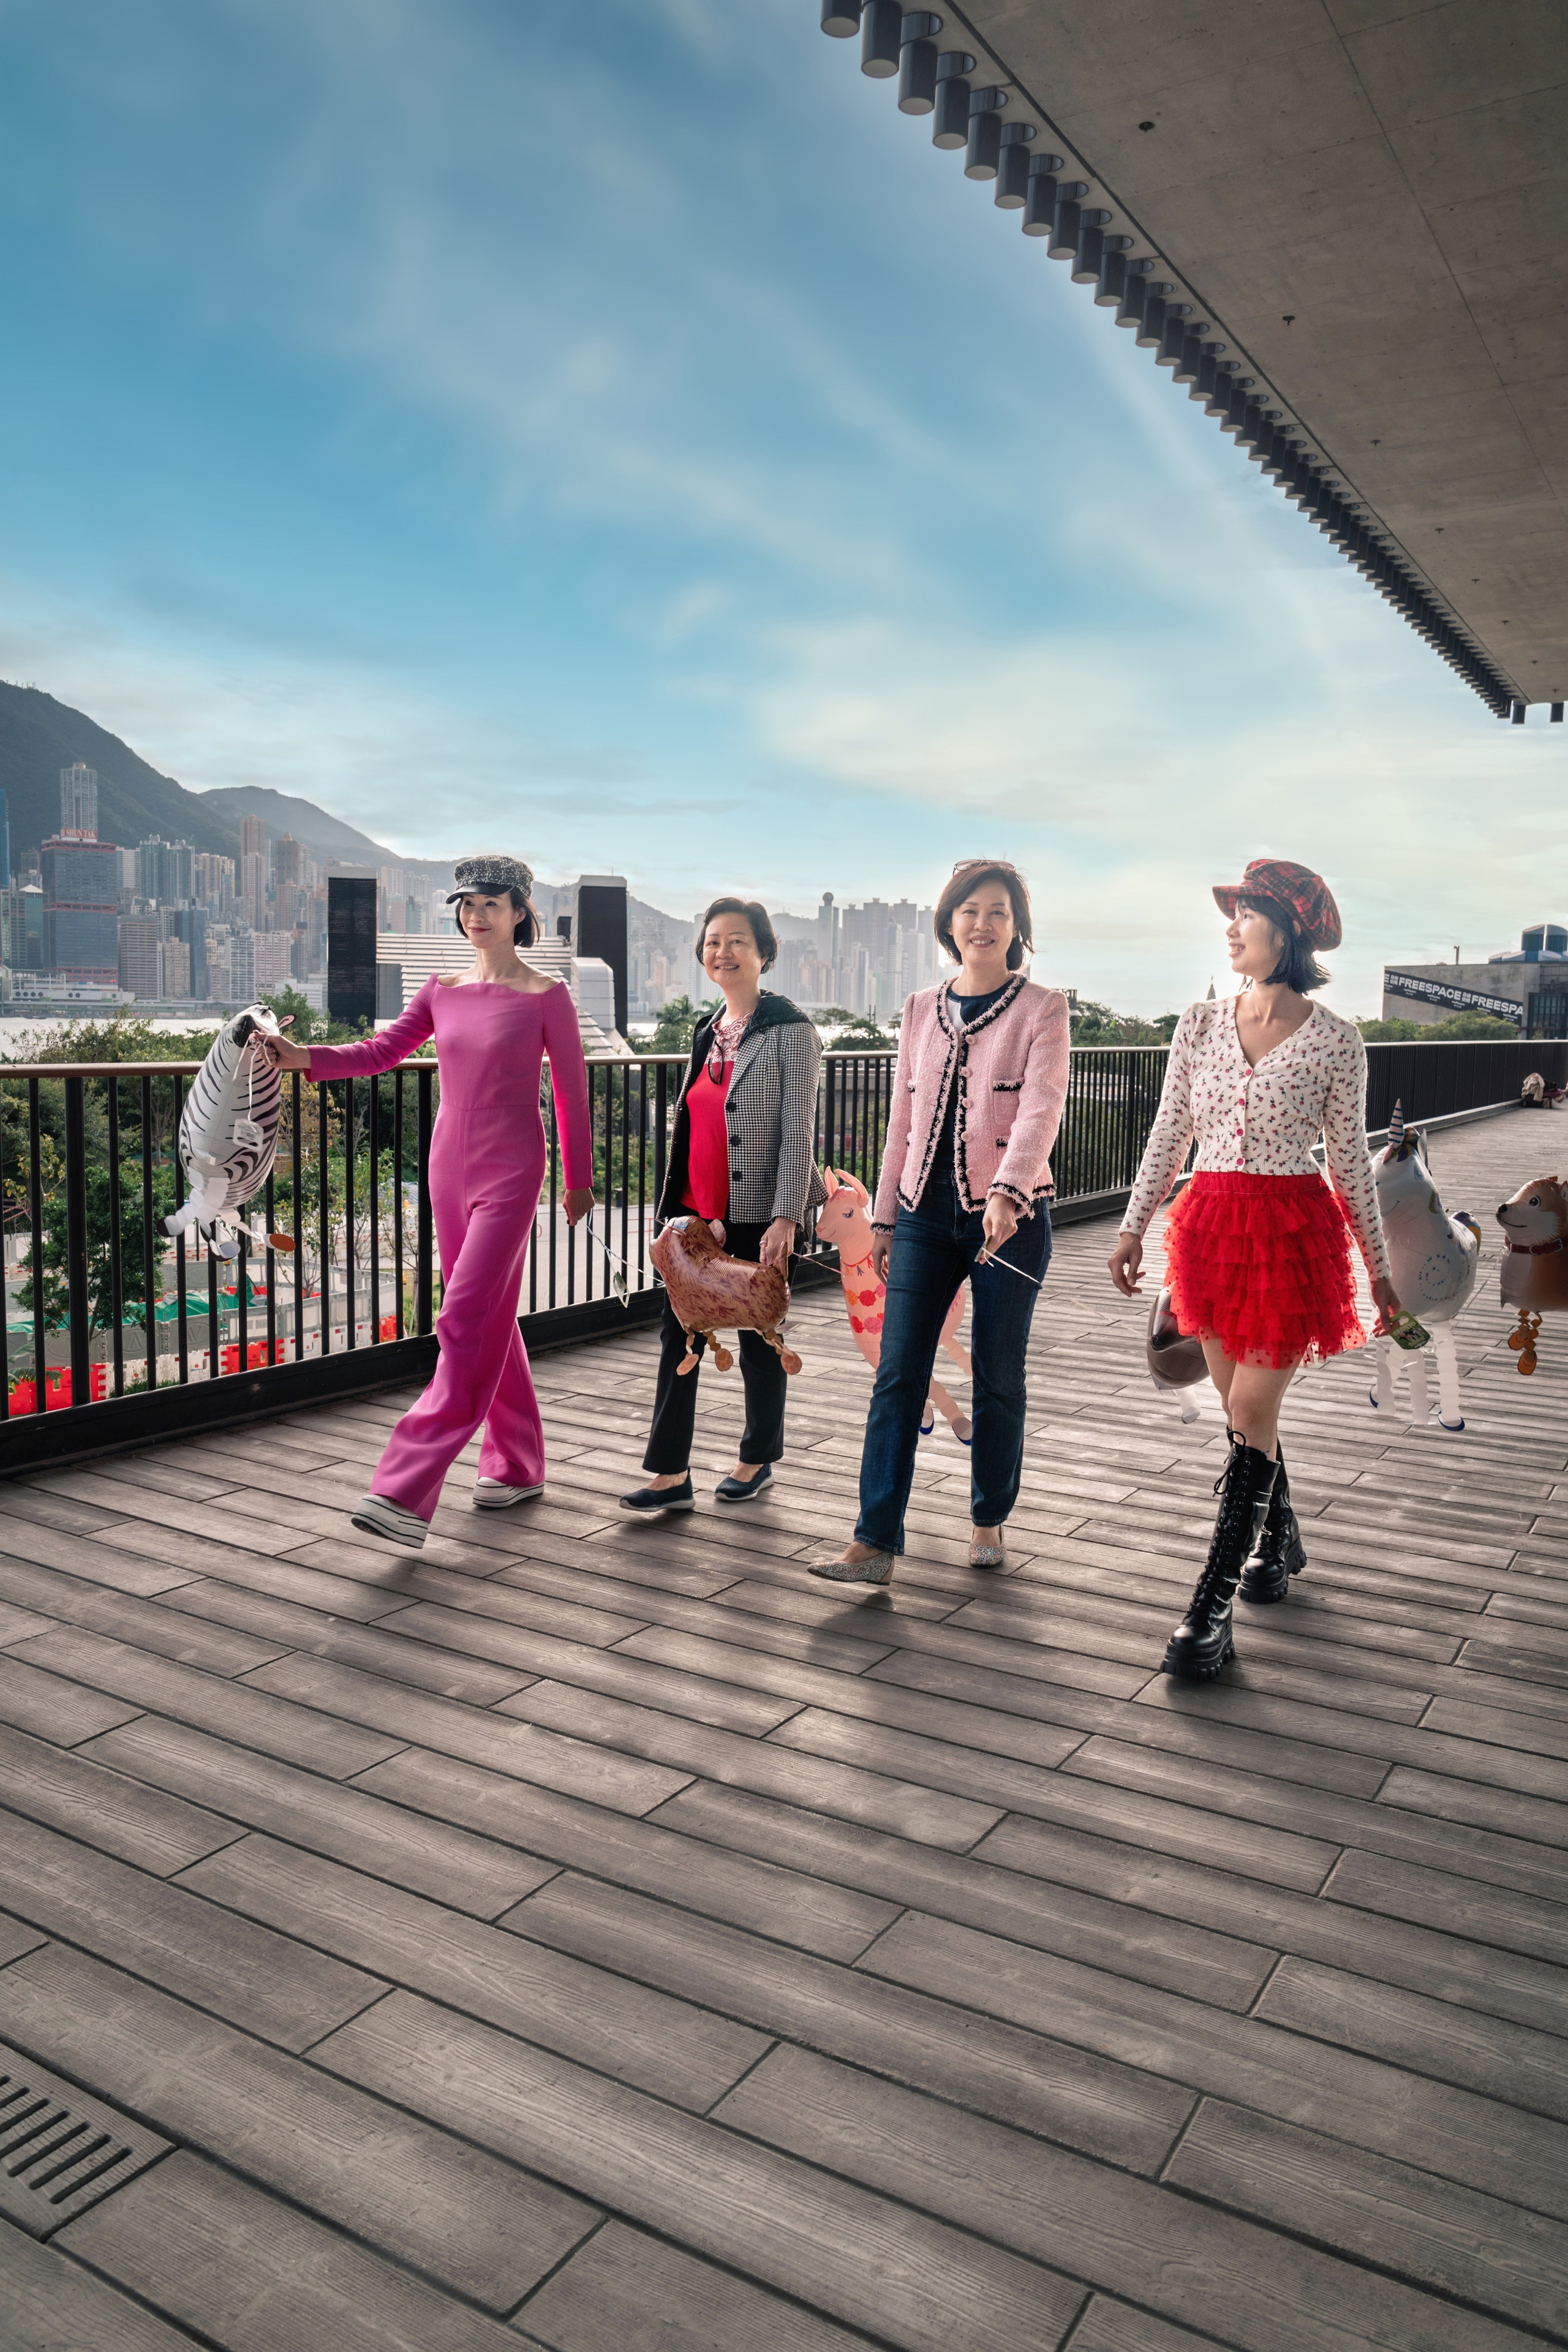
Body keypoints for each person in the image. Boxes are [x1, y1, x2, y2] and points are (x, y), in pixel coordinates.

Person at [1107, 859, 1400, 1678]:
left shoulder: (1338, 1042)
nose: (1232, 928)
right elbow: (1170, 1135)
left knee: (1249, 1408)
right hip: (1209, 1232)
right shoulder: (1199, 1024)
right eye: (1230, 916)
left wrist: (1377, 1273)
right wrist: (1133, 1230)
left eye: (1247, 915)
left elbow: (1349, 1164)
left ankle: (1210, 1611)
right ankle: (1281, 1535)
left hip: (1291, 1233)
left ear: (1290, 930)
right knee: (1246, 1414)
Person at [263, 853, 592, 1550]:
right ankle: (519, 1462)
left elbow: (570, 1091)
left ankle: (403, 1488)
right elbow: (382, 1051)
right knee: (486, 1317)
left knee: (463, 1317)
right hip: (448, 1171)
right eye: (466, 905)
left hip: (511, 1172)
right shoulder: (440, 990)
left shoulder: (547, 995)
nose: (475, 916)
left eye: (490, 905)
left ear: (520, 913)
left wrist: (580, 1178)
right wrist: (305, 1058)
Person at [813, 861, 1070, 1583]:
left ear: (1017, 926)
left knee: (996, 1376)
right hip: (923, 1215)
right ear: (948, 923)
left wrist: (1009, 1191)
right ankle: (873, 1541)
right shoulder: (920, 1006)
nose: (981, 922)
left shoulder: (1042, 1008)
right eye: (968, 910)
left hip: (1012, 1220)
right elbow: (902, 1119)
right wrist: (888, 1217)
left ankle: (987, 1517)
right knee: (898, 1372)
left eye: (997, 911)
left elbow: (1039, 1109)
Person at [620, 897, 826, 1512]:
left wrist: (787, 1215)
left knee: (761, 1334)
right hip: (695, 1216)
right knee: (677, 1339)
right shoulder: (706, 1029)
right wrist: (678, 1212)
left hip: (760, 1211)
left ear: (764, 953)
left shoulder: (791, 1029)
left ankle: (756, 1458)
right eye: (713, 942)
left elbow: (799, 1129)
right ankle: (669, 1474)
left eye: (738, 941)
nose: (723, 952)